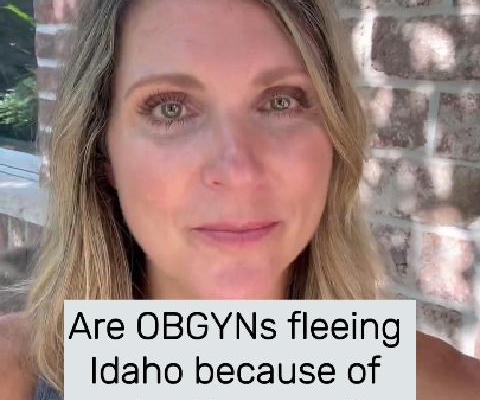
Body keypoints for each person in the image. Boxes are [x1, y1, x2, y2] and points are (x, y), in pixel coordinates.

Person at [0, 0, 479, 399]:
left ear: (335, 139)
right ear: (103, 153)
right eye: (171, 108)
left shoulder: (437, 385)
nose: (239, 171)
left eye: (281, 101)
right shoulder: (17, 373)